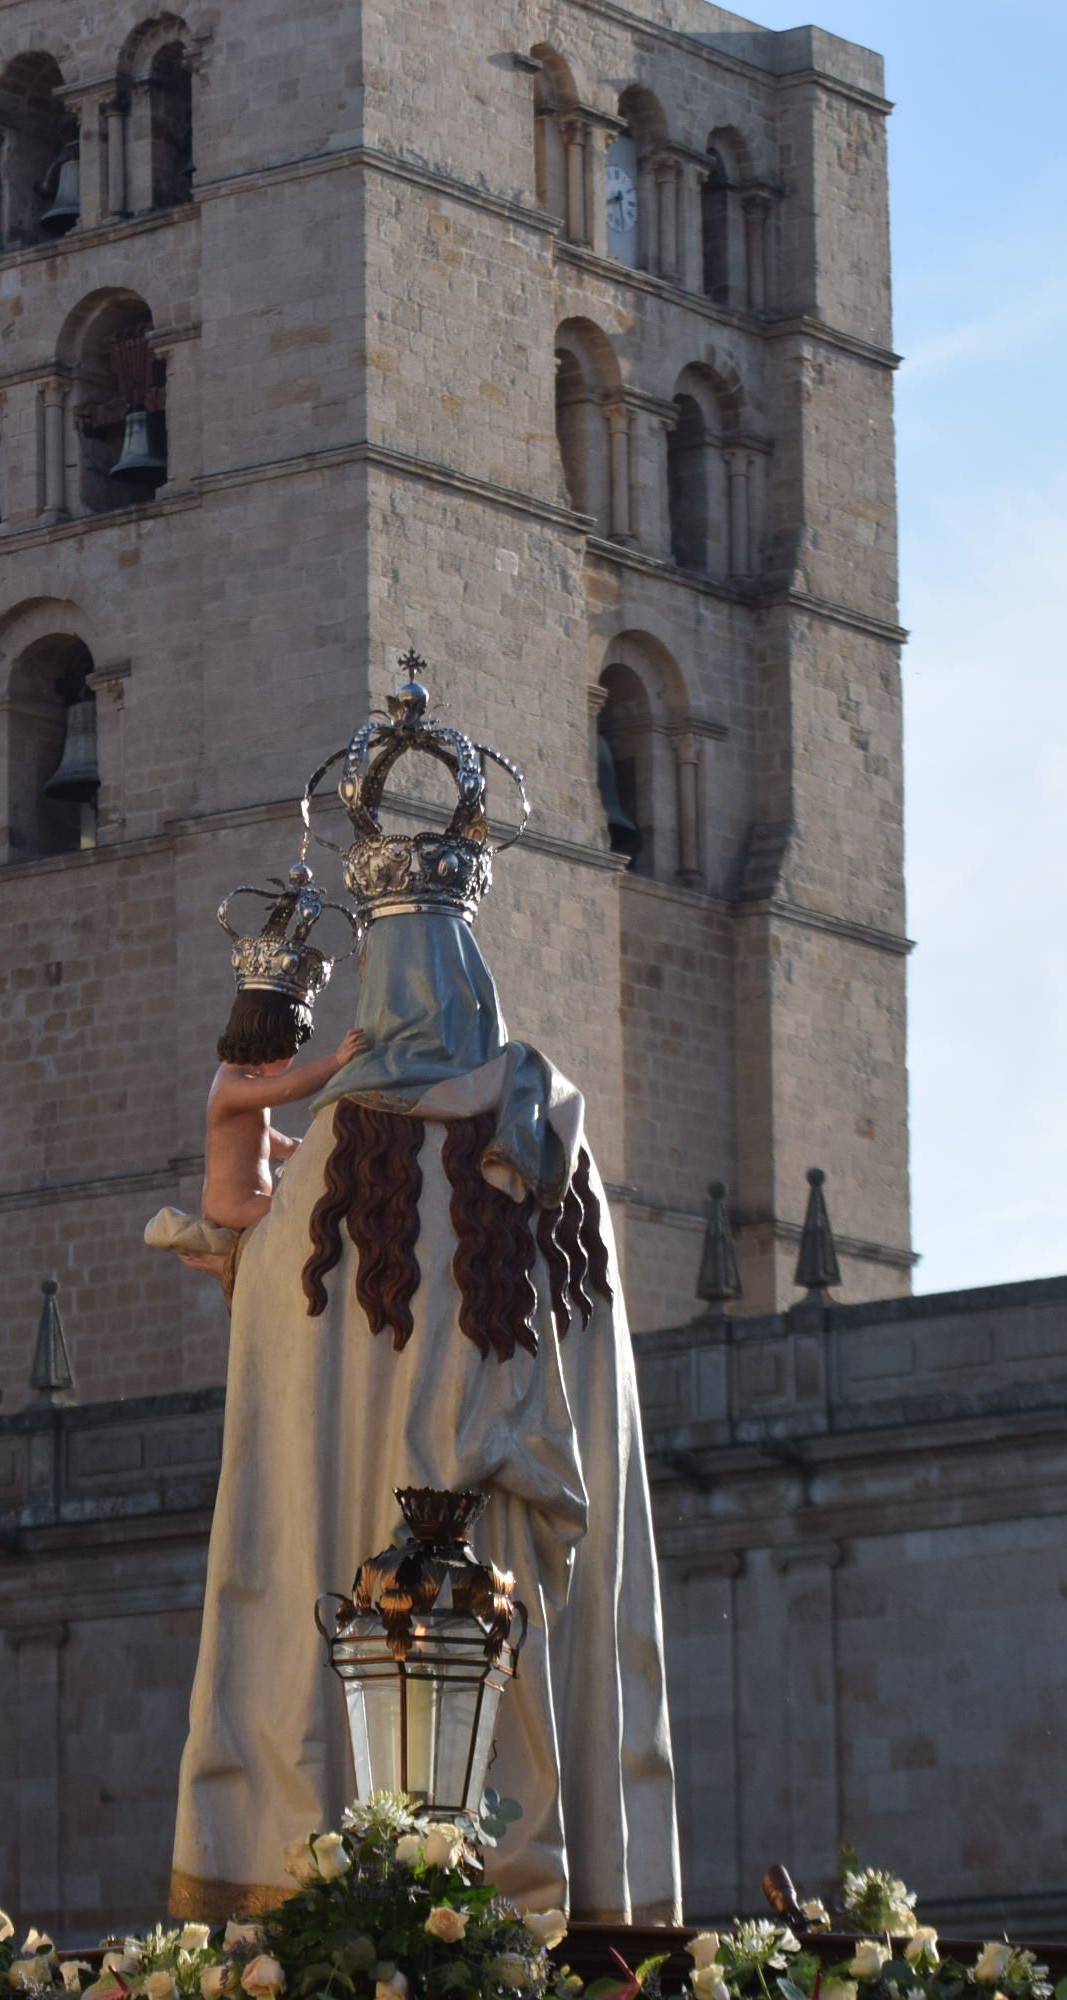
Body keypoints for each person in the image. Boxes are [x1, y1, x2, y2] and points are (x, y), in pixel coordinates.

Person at [167, 670, 679, 1924]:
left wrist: (241, 1099)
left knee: (325, 1669)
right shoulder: (552, 1142)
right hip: (503, 1549)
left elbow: (237, 1247)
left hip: (354, 1575)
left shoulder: (333, 1162)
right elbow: (591, 1395)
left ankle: (316, 1882)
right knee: (504, 1745)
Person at [146, 868, 358, 1273]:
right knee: (314, 1223)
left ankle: (226, 1265)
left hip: (248, 1201)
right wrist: (336, 1061)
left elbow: (255, 1137)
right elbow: (288, 1089)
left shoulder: (242, 1082)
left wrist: (291, 1146)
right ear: (268, 1039)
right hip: (235, 1207)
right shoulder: (233, 1086)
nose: (291, 1060)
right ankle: (219, 1264)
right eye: (289, 1050)